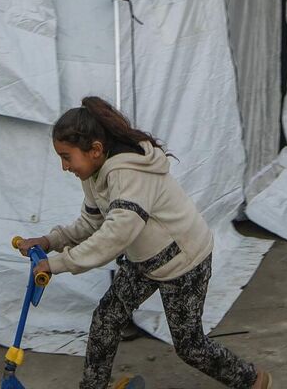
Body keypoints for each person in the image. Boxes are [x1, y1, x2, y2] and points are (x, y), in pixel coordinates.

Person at [16, 97, 271, 389]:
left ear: (95, 150)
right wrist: (50, 241)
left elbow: (115, 235)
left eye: (66, 157)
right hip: (144, 259)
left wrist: (58, 263)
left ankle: (251, 380)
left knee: (189, 345)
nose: (64, 166)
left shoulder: (129, 174)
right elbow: (92, 222)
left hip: (184, 260)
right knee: (106, 318)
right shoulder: (94, 174)